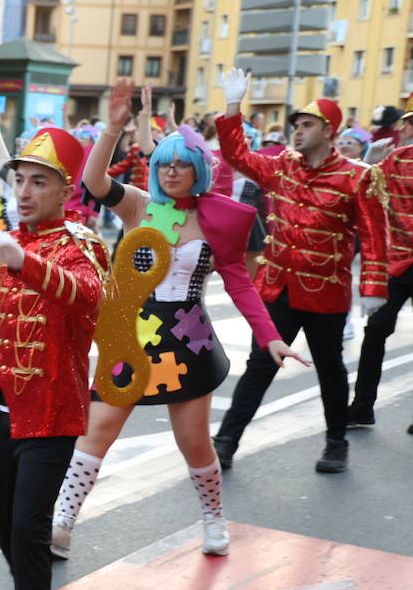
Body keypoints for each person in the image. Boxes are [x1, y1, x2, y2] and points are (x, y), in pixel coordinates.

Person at [52, 80, 305, 558]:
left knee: (193, 442)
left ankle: (213, 519)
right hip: (131, 332)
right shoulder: (139, 206)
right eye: (163, 163)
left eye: (180, 164)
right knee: (99, 427)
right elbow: (94, 183)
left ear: (196, 171)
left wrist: (270, 337)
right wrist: (112, 128)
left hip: (187, 340)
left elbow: (240, 283)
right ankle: (63, 522)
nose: (170, 171)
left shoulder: (220, 219)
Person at [0, 126, 110, 590]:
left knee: (28, 532)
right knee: (7, 526)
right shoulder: (12, 243)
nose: (24, 192)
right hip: (5, 407)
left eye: (38, 182)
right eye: (19, 181)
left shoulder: (80, 242)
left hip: (52, 411)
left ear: (65, 188)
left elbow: (87, 294)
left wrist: (22, 260)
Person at [212, 71, 389, 474]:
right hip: (277, 289)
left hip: (326, 294)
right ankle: (225, 442)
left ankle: (336, 443)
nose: (297, 131)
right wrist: (233, 106)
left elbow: (374, 236)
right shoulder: (281, 167)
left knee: (330, 370)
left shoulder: (357, 176)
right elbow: (237, 154)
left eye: (307, 125)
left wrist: (374, 287)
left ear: (329, 131)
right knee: (260, 365)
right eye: (295, 125)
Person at [350, 107, 413, 432]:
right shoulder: (398, 159)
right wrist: (368, 164)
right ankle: (362, 408)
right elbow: (364, 188)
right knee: (375, 332)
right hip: (399, 263)